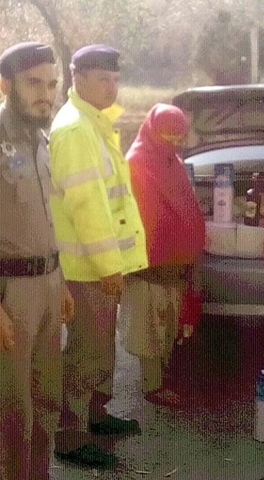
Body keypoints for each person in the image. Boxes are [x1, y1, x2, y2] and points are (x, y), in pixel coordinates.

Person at [49, 45, 148, 468]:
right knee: (85, 354)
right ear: (79, 79)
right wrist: (110, 266)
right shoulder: (75, 130)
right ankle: (69, 437)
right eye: (104, 78)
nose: (113, 85)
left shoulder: (94, 124)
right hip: (88, 269)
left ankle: (94, 415)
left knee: (101, 349)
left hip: (100, 267)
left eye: (115, 78)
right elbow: (87, 208)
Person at [0, 42, 74, 480]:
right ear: (7, 85)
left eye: (51, 84)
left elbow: (45, 220)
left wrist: (60, 279)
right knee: (13, 410)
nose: (45, 94)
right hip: (10, 293)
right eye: (33, 84)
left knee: (48, 399)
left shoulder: (41, 139)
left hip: (47, 284)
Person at [120, 103, 205, 408]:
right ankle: (152, 386)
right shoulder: (136, 162)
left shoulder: (175, 162)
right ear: (153, 130)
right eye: (167, 135)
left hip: (175, 267)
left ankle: (163, 379)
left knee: (168, 326)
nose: (173, 141)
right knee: (148, 330)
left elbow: (186, 205)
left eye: (178, 136)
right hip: (148, 268)